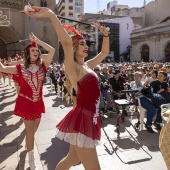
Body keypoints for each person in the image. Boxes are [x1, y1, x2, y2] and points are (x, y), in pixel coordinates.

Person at [23, 4, 109, 170]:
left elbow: (104, 52)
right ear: (76, 48)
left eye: (87, 44)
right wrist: (50, 15)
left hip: (90, 118)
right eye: (82, 44)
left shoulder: (88, 66)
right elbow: (66, 43)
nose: (86, 47)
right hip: (83, 120)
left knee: (71, 159)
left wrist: (105, 35)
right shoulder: (73, 68)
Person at [0, 32, 55, 170]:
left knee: (33, 131)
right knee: (30, 131)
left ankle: (28, 146)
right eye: (33, 50)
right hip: (25, 103)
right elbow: (3, 68)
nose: (36, 52)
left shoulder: (43, 66)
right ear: (27, 53)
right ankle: (31, 158)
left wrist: (37, 41)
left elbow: (52, 50)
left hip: (38, 102)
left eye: (37, 50)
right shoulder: (20, 68)